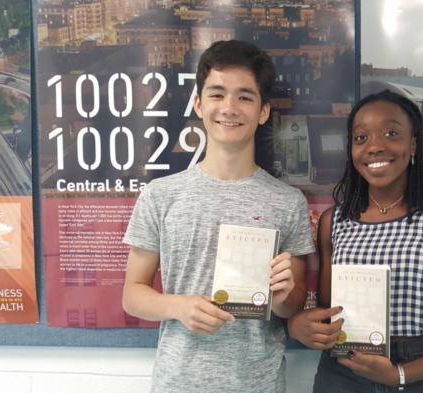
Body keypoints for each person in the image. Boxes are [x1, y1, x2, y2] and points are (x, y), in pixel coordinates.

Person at [122, 40, 315, 393]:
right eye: (216, 94)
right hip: (178, 383)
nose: (229, 107)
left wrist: (283, 296)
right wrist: (178, 307)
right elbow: (132, 295)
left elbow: (292, 306)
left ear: (263, 111)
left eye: (244, 96)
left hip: (260, 384)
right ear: (198, 104)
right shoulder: (160, 195)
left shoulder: (289, 203)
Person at [288, 89, 423, 392]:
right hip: (343, 372)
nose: (375, 147)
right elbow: (327, 314)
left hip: (421, 374)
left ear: (413, 143)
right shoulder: (333, 221)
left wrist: (400, 374)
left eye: (391, 133)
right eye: (361, 138)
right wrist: (299, 325)